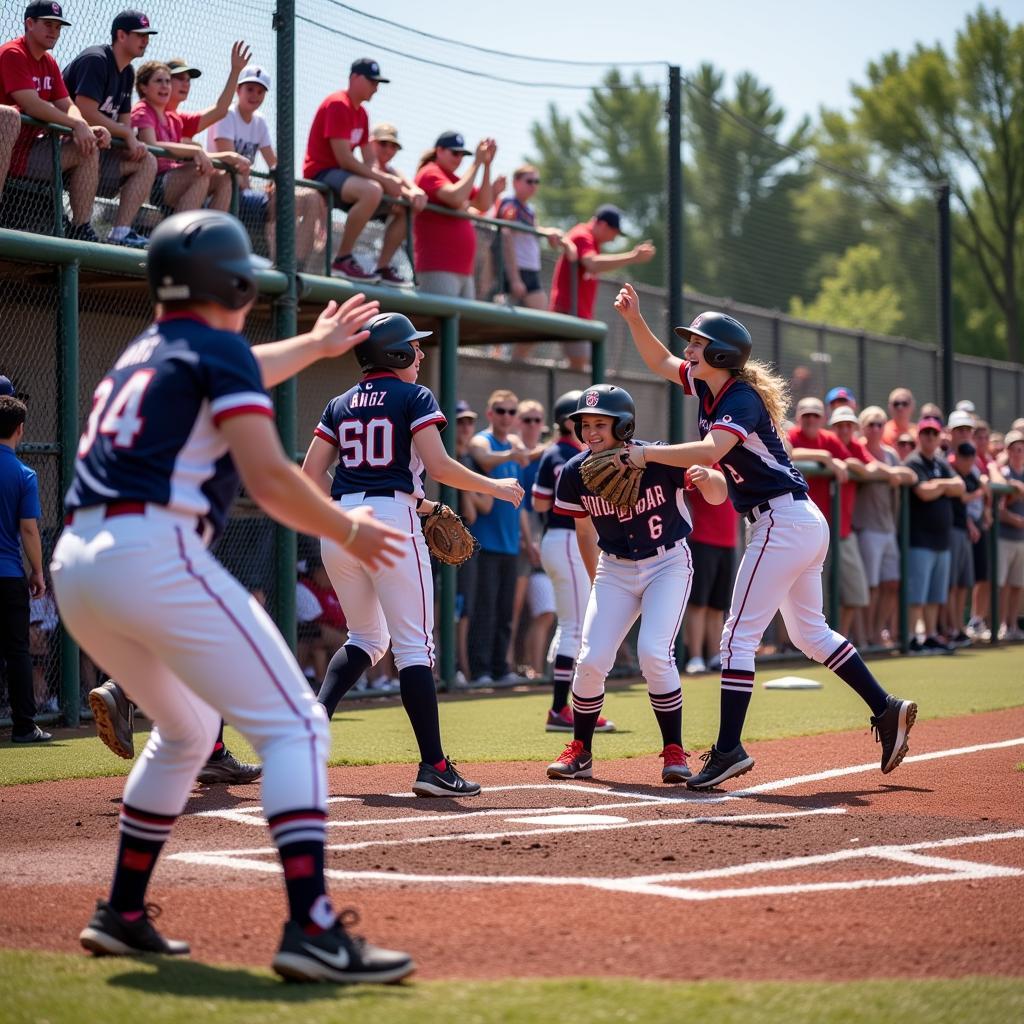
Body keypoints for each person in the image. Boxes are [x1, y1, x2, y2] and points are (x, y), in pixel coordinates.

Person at [53, 209, 414, 982]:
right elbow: (270, 477)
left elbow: (237, 363)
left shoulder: (144, 353)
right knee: (296, 730)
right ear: (238, 281)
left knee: (184, 732)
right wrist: (347, 531)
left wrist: (316, 347)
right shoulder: (213, 351)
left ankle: (120, 912)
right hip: (154, 554)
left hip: (79, 563)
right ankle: (313, 931)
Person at [613, 284, 918, 789]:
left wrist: (646, 454)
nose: (689, 350)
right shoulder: (712, 386)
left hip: (781, 523)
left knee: (736, 638)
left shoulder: (740, 398)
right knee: (808, 634)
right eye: (691, 343)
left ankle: (729, 748)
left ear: (720, 355)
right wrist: (633, 320)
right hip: (796, 521)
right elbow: (661, 362)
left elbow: (712, 451)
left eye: (697, 343)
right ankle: (886, 710)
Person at [301, 313, 524, 796]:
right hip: (390, 523)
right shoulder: (413, 396)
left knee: (366, 636)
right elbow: (440, 464)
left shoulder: (338, 403)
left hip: (340, 522)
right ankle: (435, 766)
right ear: (394, 355)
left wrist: (352, 509)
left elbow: (310, 473)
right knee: (414, 647)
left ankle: (311, 724)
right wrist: (497, 486)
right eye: (413, 347)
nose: (420, 354)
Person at [545, 384, 718, 783]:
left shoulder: (658, 458)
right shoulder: (575, 473)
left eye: (600, 424)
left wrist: (706, 478)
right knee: (590, 659)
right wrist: (596, 582)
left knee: (654, 653)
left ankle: (674, 751)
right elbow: (585, 533)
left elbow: (718, 491)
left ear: (623, 425)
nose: (590, 432)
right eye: (584, 424)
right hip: (615, 569)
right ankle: (581, 752)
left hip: (668, 563)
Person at [533, 391, 612, 732]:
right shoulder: (574, 456)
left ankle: (560, 705)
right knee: (576, 627)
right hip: (569, 538)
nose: (586, 426)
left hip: (554, 539)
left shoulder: (552, 451)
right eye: (580, 420)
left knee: (569, 624)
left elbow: (538, 503)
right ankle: (559, 710)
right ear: (569, 422)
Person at [0, 2, 110, 241]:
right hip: (3, 144)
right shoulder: (13, 53)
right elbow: (31, 104)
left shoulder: (49, 62)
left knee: (88, 145)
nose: (54, 31)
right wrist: (76, 125)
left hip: (24, 153)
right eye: (48, 24)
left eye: (58, 27)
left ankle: (80, 228)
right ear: (29, 24)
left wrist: (84, 127)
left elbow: (68, 105)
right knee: (7, 115)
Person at [302, 58, 408, 284]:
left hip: (345, 179)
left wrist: (391, 183)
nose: (376, 88)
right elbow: (345, 159)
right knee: (372, 190)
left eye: (377, 83)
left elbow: (369, 160)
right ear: (354, 78)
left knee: (402, 207)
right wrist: (382, 179)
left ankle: (382, 267)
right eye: (372, 82)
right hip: (322, 173)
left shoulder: (362, 113)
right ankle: (342, 259)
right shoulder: (338, 103)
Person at [60, 10, 158, 249]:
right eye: (139, 35)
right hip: (63, 147)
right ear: (121, 36)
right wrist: (125, 134)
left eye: (148, 35)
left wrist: (127, 140)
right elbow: (85, 111)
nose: (145, 40)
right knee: (91, 146)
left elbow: (125, 123)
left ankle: (121, 232)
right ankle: (79, 227)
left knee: (147, 161)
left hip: (98, 152)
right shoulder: (97, 60)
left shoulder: (128, 72)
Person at [207, 65, 321, 266]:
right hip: (222, 192)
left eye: (260, 91)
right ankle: (276, 263)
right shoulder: (227, 114)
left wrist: (278, 183)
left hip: (249, 195)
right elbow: (228, 162)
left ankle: (296, 265)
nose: (255, 95)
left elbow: (273, 163)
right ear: (238, 91)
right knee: (274, 202)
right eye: (250, 89)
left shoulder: (259, 121)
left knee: (311, 197)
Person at [130, 43, 250, 215]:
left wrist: (235, 71)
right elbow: (153, 145)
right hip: (152, 181)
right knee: (200, 173)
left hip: (176, 177)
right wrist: (194, 150)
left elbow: (220, 111)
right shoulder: (144, 110)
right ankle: (183, 236)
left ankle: (213, 235)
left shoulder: (177, 119)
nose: (185, 83)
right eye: (179, 78)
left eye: (188, 80)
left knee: (225, 177)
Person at [787, 401, 869, 644]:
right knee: (796, 597)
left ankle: (835, 643)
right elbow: (788, 451)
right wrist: (824, 457)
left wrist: (841, 462)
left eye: (815, 415)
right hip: (797, 531)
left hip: (834, 530)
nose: (811, 420)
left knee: (854, 593)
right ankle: (791, 644)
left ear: (822, 419)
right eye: (806, 415)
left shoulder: (829, 439)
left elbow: (857, 464)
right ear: (799, 417)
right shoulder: (791, 435)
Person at [466, 389, 531, 683]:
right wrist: (512, 453)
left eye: (511, 412)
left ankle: (500, 669)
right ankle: (480, 671)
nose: (506, 417)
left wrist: (528, 541)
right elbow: (482, 455)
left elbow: (523, 507)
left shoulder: (515, 443)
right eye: (500, 412)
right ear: (491, 414)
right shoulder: (483, 440)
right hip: (484, 543)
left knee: (506, 612)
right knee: (485, 609)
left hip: (510, 544)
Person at [549, 205, 655, 372]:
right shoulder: (583, 235)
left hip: (578, 313)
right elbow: (592, 264)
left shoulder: (592, 241)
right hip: (569, 310)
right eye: (614, 233)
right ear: (604, 225)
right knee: (579, 363)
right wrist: (632, 257)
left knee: (582, 363)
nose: (613, 239)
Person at [0, 390, 51, 743]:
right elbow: (29, 529)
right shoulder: (23, 473)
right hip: (7, 574)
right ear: (20, 429)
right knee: (17, 649)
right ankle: (23, 726)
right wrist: (38, 571)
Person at [494, 166, 573, 357]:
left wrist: (548, 232)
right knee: (498, 323)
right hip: (514, 271)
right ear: (516, 183)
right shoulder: (509, 203)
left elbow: (532, 229)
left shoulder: (529, 208)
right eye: (529, 181)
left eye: (537, 182)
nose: (534, 186)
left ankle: (516, 361)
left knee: (541, 324)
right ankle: (496, 361)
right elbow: (506, 237)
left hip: (530, 272)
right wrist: (514, 278)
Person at [413, 131, 502, 299]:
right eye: (455, 153)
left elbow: (483, 203)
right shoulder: (430, 171)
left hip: (463, 271)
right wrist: (476, 162)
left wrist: (487, 165)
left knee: (460, 324)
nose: (459, 158)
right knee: (438, 323)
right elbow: (455, 198)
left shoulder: (454, 178)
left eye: (462, 154)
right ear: (439, 151)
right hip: (437, 267)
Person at [854, 405, 916, 646]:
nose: (877, 428)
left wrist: (891, 471)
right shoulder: (859, 449)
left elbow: (911, 476)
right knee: (870, 586)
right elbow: (862, 468)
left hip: (888, 529)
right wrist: (888, 472)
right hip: (867, 528)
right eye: (872, 424)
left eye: (881, 424)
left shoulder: (890, 454)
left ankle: (878, 631)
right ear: (863, 427)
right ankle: (868, 634)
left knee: (891, 583)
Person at [903, 416, 964, 654]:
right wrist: (943, 486)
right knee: (917, 595)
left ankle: (928, 636)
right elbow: (924, 493)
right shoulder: (913, 461)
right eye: (925, 433)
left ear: (939, 437)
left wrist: (938, 485)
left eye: (934, 433)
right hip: (920, 539)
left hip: (941, 541)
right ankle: (911, 638)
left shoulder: (940, 462)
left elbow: (960, 486)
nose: (930, 437)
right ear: (919, 436)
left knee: (934, 595)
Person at [508, 398, 554, 679]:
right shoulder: (514, 449)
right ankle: (509, 666)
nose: (533, 425)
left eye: (538, 420)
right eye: (528, 419)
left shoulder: (545, 455)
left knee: (544, 611)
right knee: (513, 612)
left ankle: (533, 668)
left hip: (542, 542)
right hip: (514, 541)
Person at [683, 462, 739, 674]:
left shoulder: (732, 464)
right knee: (698, 603)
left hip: (728, 544)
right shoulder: (700, 463)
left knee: (718, 605)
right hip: (701, 541)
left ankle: (715, 655)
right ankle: (695, 656)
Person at [452, 399, 491, 684]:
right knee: (443, 611)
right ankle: (451, 668)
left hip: (464, 546)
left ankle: (461, 669)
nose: (465, 427)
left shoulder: (471, 460)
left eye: (469, 422)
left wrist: (463, 483)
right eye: (459, 422)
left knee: (463, 610)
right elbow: (470, 508)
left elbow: (482, 508)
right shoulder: (438, 456)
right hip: (437, 544)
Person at [948, 441, 982, 647]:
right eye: (965, 457)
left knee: (963, 584)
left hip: (964, 531)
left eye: (971, 458)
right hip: (951, 531)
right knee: (952, 584)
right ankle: (952, 627)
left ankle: (959, 626)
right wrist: (979, 493)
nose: (969, 462)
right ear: (957, 457)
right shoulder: (951, 470)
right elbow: (963, 496)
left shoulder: (972, 475)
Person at [994, 430, 1024, 641]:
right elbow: (1000, 509)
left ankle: (1013, 624)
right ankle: (1002, 625)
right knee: (1002, 584)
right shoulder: (1003, 474)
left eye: (1021, 447)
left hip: (1021, 540)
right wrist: (1015, 520)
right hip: (1005, 536)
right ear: (1008, 450)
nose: (1018, 451)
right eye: (1014, 447)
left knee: (1018, 584)